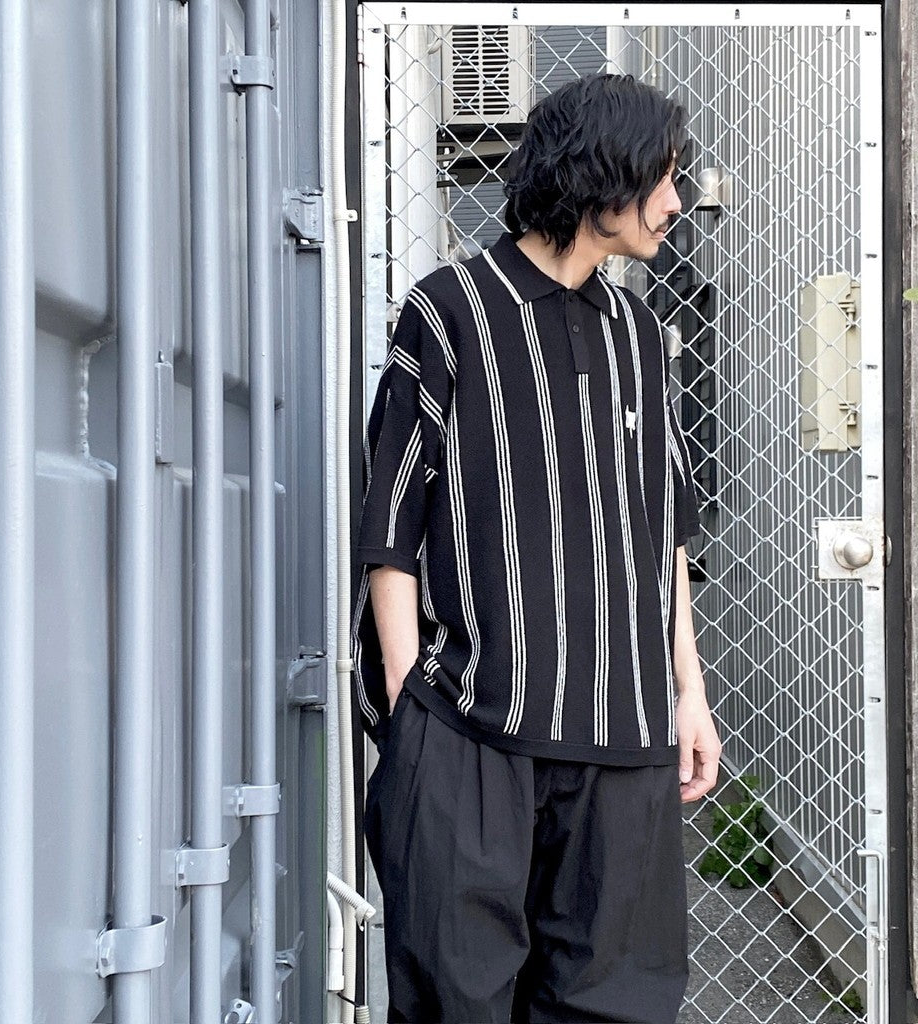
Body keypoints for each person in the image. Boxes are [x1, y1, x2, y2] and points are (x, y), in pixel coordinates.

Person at [351, 72, 722, 1024]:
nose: (676, 201)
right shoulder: (448, 312)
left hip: (624, 748)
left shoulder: (643, 334)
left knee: (618, 1007)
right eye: (662, 176)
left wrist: (688, 695)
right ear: (603, 174)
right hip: (471, 735)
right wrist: (410, 707)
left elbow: (665, 534)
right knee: (457, 1004)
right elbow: (390, 529)